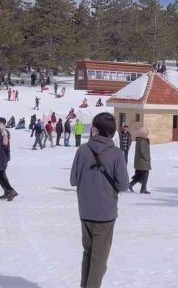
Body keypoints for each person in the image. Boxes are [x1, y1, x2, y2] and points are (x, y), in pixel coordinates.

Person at [70, 112, 129, 288]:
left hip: (85, 211)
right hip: (106, 213)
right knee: (99, 259)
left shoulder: (82, 150)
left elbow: (73, 180)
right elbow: (124, 184)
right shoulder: (117, 154)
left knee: (87, 253)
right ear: (112, 133)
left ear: (95, 129)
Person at [128, 127, 151, 194]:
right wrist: (147, 158)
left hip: (140, 161)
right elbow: (142, 151)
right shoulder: (142, 141)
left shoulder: (140, 140)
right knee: (145, 174)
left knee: (139, 175)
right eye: (146, 133)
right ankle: (143, 189)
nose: (147, 134)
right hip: (143, 161)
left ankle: (131, 185)